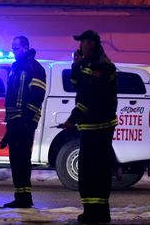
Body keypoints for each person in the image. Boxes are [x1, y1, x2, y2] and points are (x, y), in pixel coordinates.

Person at [60, 30, 118, 223]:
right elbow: (75, 84)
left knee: (93, 170)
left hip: (98, 126)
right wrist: (75, 66)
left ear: (91, 43)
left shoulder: (102, 66)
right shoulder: (89, 63)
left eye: (82, 42)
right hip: (92, 125)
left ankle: (95, 212)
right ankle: (95, 211)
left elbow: (88, 96)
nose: (80, 46)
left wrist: (72, 119)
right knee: (93, 169)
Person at [1, 36, 46, 208]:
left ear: (26, 48)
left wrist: (26, 119)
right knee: (16, 159)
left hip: (24, 120)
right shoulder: (15, 67)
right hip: (14, 120)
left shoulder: (34, 68)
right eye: (13, 48)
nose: (14, 51)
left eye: (17, 48)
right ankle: (20, 196)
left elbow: (37, 94)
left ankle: (25, 198)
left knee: (22, 159)